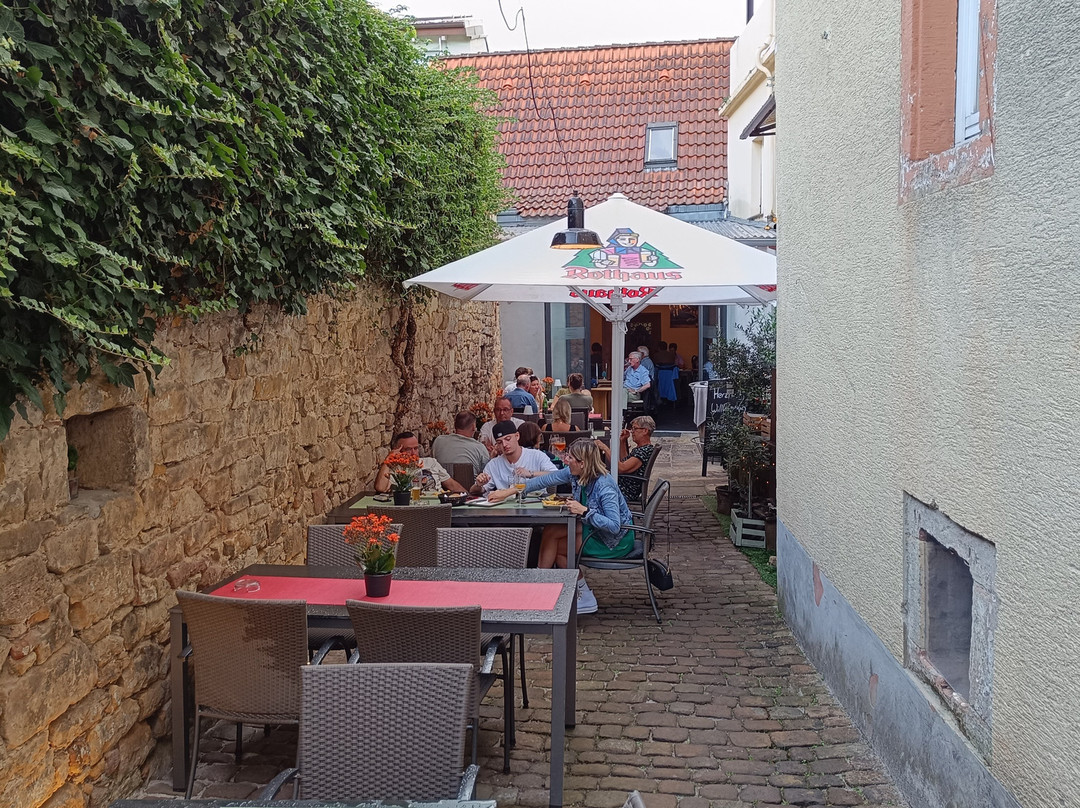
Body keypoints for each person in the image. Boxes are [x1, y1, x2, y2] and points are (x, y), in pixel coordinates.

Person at [488, 439, 635, 615]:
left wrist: (585, 511)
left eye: (570, 457)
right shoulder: (576, 473)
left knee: (557, 549)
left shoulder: (604, 486)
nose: (565, 460)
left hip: (613, 541)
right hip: (595, 530)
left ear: (582, 463)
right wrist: (509, 492)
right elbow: (545, 480)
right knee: (551, 529)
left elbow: (615, 526)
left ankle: (546, 588)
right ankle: (552, 587)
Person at [471, 421, 557, 495]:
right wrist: (478, 485)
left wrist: (531, 473)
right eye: (499, 442)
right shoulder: (493, 464)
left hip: (536, 504)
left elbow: (556, 475)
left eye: (508, 439)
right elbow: (475, 491)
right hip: (506, 507)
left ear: (517, 436)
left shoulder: (537, 455)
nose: (504, 445)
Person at [374, 431, 467, 494]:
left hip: (437, 506)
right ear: (398, 450)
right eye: (408, 449)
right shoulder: (394, 469)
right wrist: (389, 459)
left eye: (416, 448)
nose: (413, 453)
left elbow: (451, 485)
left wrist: (469, 498)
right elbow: (381, 488)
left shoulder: (431, 462)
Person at [595, 415, 657, 504]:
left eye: (635, 428)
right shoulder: (641, 448)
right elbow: (624, 461)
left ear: (645, 431)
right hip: (623, 486)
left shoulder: (643, 451)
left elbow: (621, 468)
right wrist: (623, 440)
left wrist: (605, 448)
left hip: (625, 491)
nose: (632, 431)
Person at [431, 412, 490, 478]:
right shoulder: (480, 448)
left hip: (441, 483)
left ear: (454, 425)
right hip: (470, 484)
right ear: (473, 427)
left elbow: (432, 462)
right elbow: (487, 472)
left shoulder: (438, 441)